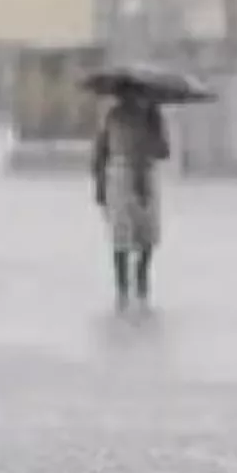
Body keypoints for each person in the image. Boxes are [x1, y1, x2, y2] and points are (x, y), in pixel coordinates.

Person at [91, 86, 169, 313]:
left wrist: (154, 124)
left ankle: (142, 283)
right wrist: (99, 185)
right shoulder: (112, 117)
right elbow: (100, 151)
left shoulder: (152, 117)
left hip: (146, 174)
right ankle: (122, 289)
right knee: (121, 235)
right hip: (120, 175)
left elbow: (164, 151)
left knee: (148, 235)